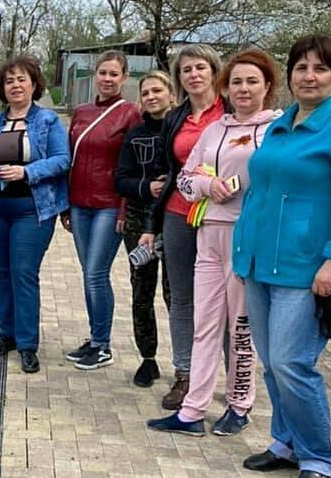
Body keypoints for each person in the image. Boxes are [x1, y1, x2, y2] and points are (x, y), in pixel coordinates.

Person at [233, 36, 331, 478]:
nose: (309, 76)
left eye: (320, 68)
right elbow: (261, 191)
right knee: (272, 366)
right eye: (301, 68)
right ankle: (286, 442)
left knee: (292, 362)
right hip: (259, 262)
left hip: (307, 267)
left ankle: (319, 456)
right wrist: (243, 250)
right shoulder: (282, 126)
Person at [147, 49, 281, 437]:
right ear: (227, 85)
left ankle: (239, 405)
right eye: (237, 81)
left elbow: (283, 181)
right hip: (209, 234)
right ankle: (192, 411)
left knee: (240, 327)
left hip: (248, 238)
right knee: (205, 323)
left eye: (252, 81)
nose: (243, 88)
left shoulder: (276, 129)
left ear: (267, 86)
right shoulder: (215, 129)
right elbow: (185, 180)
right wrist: (209, 185)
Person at [140, 45, 228, 408]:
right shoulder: (176, 118)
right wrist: (152, 222)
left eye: (200, 68)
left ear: (214, 72)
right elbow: (168, 172)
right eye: (186, 70)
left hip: (223, 216)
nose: (193, 75)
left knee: (228, 299)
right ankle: (184, 375)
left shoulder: (233, 112)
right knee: (181, 297)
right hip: (180, 213)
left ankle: (233, 377)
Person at [0, 56, 69, 374]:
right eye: (9, 80)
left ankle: (27, 344)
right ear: (2, 88)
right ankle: (6, 334)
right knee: (2, 272)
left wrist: (27, 173)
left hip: (32, 210)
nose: (15, 85)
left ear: (34, 84)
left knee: (24, 273)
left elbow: (62, 159)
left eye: (21, 79)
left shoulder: (48, 122)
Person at [62, 51, 141, 370]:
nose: (107, 79)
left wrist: (124, 210)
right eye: (103, 73)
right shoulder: (81, 112)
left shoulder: (130, 114)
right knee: (88, 274)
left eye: (114, 74)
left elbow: (133, 164)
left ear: (124, 78)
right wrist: (64, 206)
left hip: (109, 204)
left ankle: (103, 344)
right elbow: (70, 158)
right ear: (95, 75)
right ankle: (95, 339)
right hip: (80, 203)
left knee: (96, 273)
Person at [114, 70, 174, 387]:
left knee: (175, 295)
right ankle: (147, 358)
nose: (151, 97)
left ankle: (185, 365)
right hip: (139, 221)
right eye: (146, 92)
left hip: (175, 221)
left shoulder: (182, 129)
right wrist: (146, 186)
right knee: (142, 290)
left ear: (171, 94)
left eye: (157, 91)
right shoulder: (135, 134)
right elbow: (120, 179)